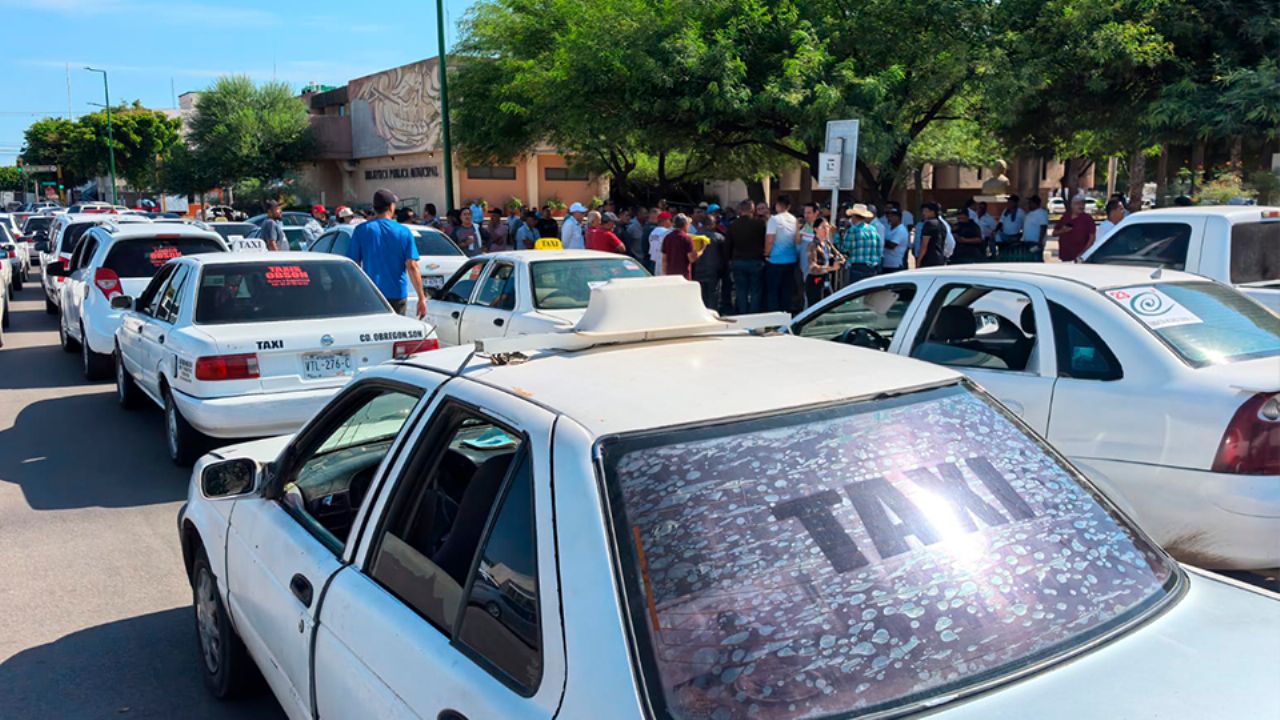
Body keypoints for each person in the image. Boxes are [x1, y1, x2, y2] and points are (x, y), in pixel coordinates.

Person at [346, 188, 427, 319]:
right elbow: (412, 266)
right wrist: (421, 298)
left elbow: (354, 265)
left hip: (371, 294)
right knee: (396, 334)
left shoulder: (361, 230)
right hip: (397, 293)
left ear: (374, 207)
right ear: (391, 206)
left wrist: (355, 293)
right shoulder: (403, 232)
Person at [725, 199, 765, 313]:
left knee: (741, 290)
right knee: (756, 290)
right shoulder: (760, 224)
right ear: (752, 209)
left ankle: (743, 313)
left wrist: (728, 259)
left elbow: (728, 244)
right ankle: (753, 313)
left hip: (738, 260)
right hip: (756, 260)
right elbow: (765, 241)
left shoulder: (733, 225)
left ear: (740, 210)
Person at [763, 195, 798, 313]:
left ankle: (774, 317)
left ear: (778, 205)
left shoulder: (774, 219)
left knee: (773, 291)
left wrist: (766, 254)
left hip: (776, 260)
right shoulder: (794, 219)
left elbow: (770, 239)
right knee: (786, 290)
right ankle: (786, 314)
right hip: (791, 259)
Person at [805, 212, 842, 307]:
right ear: (815, 229)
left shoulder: (827, 244)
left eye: (827, 227)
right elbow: (812, 268)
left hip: (825, 279)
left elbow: (839, 256)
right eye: (823, 227)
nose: (826, 230)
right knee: (815, 307)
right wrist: (830, 268)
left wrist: (838, 260)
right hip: (815, 280)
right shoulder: (812, 245)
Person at [842, 204, 882, 283]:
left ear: (854, 217)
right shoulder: (873, 229)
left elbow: (845, 248)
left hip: (858, 266)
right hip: (872, 267)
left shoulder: (853, 230)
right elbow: (878, 249)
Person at [1053, 195, 1097, 261]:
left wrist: (1083, 253)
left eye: (1083, 204)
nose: (1081, 206)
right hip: (1065, 256)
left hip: (1080, 257)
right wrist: (1062, 231)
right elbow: (1054, 233)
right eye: (1078, 204)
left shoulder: (1087, 219)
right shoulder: (1065, 217)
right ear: (1072, 205)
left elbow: (1092, 238)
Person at [662, 214, 699, 280]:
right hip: (683, 276)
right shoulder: (687, 238)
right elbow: (691, 259)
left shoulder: (667, 237)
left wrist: (665, 274)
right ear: (685, 225)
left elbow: (664, 259)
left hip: (670, 275)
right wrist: (700, 251)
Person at [916, 202, 947, 268]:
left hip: (929, 259)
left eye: (925, 211)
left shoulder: (929, 224)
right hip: (940, 258)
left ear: (932, 212)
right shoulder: (942, 224)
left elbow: (924, 245)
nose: (923, 213)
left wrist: (919, 260)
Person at [1022, 195, 1050, 262]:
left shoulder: (1041, 213)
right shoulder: (1030, 213)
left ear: (1035, 203)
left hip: (1035, 242)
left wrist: (1040, 241)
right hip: (1028, 241)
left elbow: (1043, 227)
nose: (1029, 205)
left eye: (1030, 203)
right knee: (1029, 260)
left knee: (1036, 260)